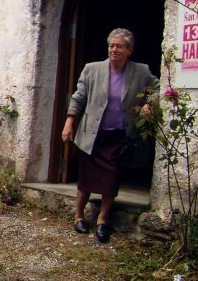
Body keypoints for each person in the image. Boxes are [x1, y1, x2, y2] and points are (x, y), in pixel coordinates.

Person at [61, 28, 159, 243]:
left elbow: (159, 88)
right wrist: (69, 122)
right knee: (85, 179)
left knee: (111, 179)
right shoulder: (92, 69)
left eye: (119, 46)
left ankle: (103, 220)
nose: (114, 50)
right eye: (111, 46)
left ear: (129, 50)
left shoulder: (140, 72)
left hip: (118, 135)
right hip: (92, 134)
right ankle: (78, 214)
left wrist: (149, 104)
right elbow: (78, 98)